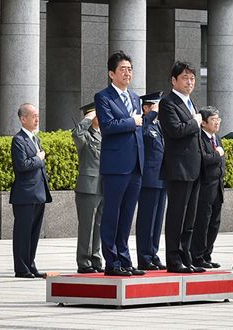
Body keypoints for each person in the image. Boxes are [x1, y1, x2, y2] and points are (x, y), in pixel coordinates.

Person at [94, 51, 145, 276]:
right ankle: (112, 262)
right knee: (112, 215)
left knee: (127, 216)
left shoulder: (135, 98)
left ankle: (125, 260)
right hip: (115, 165)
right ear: (111, 74)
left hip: (136, 165)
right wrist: (132, 121)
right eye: (123, 69)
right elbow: (108, 126)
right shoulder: (103, 97)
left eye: (130, 69)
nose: (127, 73)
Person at [158, 61, 205, 274]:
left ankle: (187, 256)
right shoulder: (168, 103)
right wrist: (195, 122)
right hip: (178, 168)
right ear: (174, 80)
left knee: (190, 217)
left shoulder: (190, 103)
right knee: (177, 215)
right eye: (185, 78)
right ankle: (174, 259)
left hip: (194, 168)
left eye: (192, 78)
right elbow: (175, 130)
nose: (189, 82)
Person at [9, 103, 52, 279]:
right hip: (25, 195)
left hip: (38, 193)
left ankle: (30, 263)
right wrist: (39, 158)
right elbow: (22, 165)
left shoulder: (35, 139)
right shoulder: (18, 140)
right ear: (23, 119)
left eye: (37, 115)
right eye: (33, 116)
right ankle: (21, 267)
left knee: (34, 233)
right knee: (23, 233)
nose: (37, 119)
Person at [135, 91, 167, 271]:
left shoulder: (158, 126)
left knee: (157, 220)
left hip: (162, 178)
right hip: (148, 179)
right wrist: (151, 114)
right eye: (155, 106)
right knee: (146, 219)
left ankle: (153, 253)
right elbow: (142, 134)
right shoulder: (144, 123)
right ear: (146, 107)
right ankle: (144, 256)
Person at [191, 107, 225, 269]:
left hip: (217, 188)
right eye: (213, 119)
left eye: (218, 119)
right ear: (203, 123)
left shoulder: (216, 138)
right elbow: (203, 160)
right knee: (202, 224)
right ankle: (197, 256)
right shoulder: (199, 138)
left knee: (214, 224)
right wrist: (217, 154)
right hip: (204, 188)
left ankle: (207, 254)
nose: (217, 122)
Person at [72, 102, 104, 274]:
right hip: (88, 187)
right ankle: (84, 262)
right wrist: (88, 118)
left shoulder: (104, 134)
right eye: (96, 115)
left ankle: (96, 259)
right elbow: (76, 133)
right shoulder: (85, 136)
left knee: (99, 225)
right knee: (87, 226)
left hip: (103, 186)